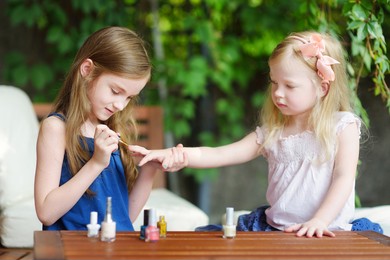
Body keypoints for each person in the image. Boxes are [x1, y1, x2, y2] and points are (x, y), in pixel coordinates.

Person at [130, 31, 383, 237]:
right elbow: (220, 154)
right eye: (274, 83)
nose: (278, 93)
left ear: (322, 88)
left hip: (327, 230)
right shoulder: (272, 134)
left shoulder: (343, 126)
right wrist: (174, 155)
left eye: (289, 85)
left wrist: (319, 220)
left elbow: (343, 178)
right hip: (276, 231)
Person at [34, 26, 177, 231]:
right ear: (87, 70)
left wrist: (149, 169)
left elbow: (123, 218)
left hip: (114, 250)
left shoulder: (111, 129)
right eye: (115, 91)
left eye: (129, 97)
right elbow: (46, 213)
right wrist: (96, 163)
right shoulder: (56, 129)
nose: (120, 105)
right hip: (74, 253)